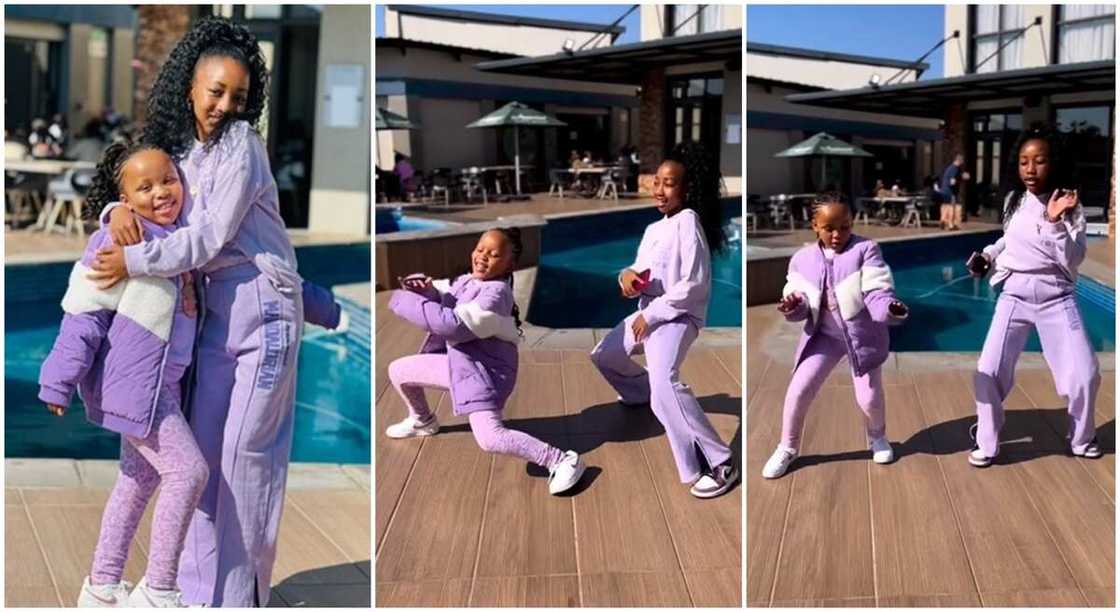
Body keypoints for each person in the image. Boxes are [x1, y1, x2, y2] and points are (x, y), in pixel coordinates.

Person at [87, 17, 332, 606]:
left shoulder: (243, 146)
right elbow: (143, 199)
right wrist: (113, 217)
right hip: (209, 316)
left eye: (239, 97)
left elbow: (207, 238)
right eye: (216, 91)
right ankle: (195, 592)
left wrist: (134, 260)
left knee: (246, 459)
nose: (226, 105)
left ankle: (243, 596)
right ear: (190, 88)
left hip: (263, 308)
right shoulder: (173, 151)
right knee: (202, 456)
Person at [40, 142, 207, 607]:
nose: (161, 192)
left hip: (161, 385)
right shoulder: (118, 240)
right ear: (126, 198)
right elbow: (83, 313)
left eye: (168, 180)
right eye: (145, 187)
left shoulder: (177, 239)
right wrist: (59, 378)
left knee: (137, 482)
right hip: (139, 389)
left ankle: (101, 587)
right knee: (188, 472)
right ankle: (158, 590)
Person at [385, 228, 587, 495]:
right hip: (462, 366)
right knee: (399, 370)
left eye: (493, 255)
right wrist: (429, 293)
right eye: (480, 250)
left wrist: (403, 300)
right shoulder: (467, 280)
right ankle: (423, 420)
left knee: (490, 438)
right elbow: (447, 304)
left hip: (485, 376)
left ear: (510, 264)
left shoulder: (497, 295)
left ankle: (561, 460)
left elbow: (453, 325)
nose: (483, 257)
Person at [590, 141, 739, 498]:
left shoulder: (688, 223)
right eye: (657, 181)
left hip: (677, 317)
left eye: (669, 182)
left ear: (686, 189)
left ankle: (721, 462)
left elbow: (693, 285)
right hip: (648, 313)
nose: (660, 189)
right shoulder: (654, 229)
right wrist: (627, 278)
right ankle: (641, 391)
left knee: (666, 387)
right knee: (603, 355)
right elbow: (642, 272)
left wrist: (652, 314)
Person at [966, 124, 1101, 467]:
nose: (1030, 168)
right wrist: (988, 256)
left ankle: (1082, 438)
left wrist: (1055, 221)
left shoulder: (1070, 205)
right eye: (1024, 161)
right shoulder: (1014, 201)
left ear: (1052, 163)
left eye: (1039, 161)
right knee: (988, 369)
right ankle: (988, 441)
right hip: (1014, 296)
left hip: (1058, 298)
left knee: (1085, 373)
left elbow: (1073, 258)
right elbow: (1009, 239)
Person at [762, 192, 910, 479]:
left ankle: (877, 437)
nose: (837, 234)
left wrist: (889, 309)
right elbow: (800, 301)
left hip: (863, 337)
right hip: (824, 338)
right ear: (814, 225)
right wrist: (794, 305)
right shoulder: (802, 260)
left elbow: (876, 290)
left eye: (845, 226)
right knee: (798, 390)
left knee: (868, 398)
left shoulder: (866, 249)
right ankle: (787, 447)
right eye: (829, 227)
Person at [939, 154, 969, 230]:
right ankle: (950, 224)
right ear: (960, 161)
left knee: (945, 206)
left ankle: (944, 221)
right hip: (950, 191)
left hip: (944, 190)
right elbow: (952, 182)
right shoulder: (954, 169)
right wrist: (962, 178)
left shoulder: (950, 168)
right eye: (962, 162)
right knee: (951, 207)